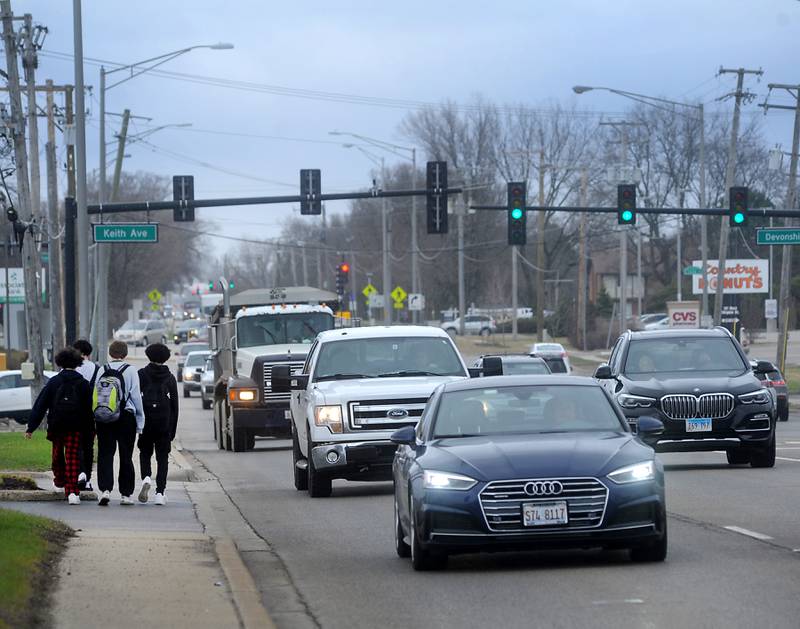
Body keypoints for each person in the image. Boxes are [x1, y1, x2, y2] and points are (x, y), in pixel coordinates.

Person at [25, 348, 94, 505]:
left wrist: (31, 427)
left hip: (56, 425)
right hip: (75, 427)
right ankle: (72, 493)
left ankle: (58, 482)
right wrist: (90, 430)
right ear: (77, 363)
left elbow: (40, 405)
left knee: (57, 454)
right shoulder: (83, 383)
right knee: (72, 457)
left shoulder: (54, 382)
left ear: (59, 362)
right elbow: (89, 409)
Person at [94, 341, 145, 506]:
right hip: (126, 418)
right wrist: (140, 421)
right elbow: (136, 397)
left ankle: (105, 490)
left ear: (110, 353)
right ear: (125, 354)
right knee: (126, 455)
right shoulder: (131, 370)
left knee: (105, 454)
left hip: (105, 416)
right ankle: (126, 494)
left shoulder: (102, 369)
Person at [137, 343, 179, 505]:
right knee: (162, 458)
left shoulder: (141, 374)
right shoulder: (169, 378)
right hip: (164, 423)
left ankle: (146, 477)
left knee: (144, 453)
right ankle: (160, 493)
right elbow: (175, 406)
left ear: (148, 355)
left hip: (146, 422)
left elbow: (135, 399)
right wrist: (172, 429)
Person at [72, 339, 100, 492]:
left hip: (74, 413)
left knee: (76, 445)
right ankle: (88, 479)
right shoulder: (96, 369)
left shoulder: (71, 368)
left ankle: (80, 472)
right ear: (88, 353)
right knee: (89, 446)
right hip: (91, 413)